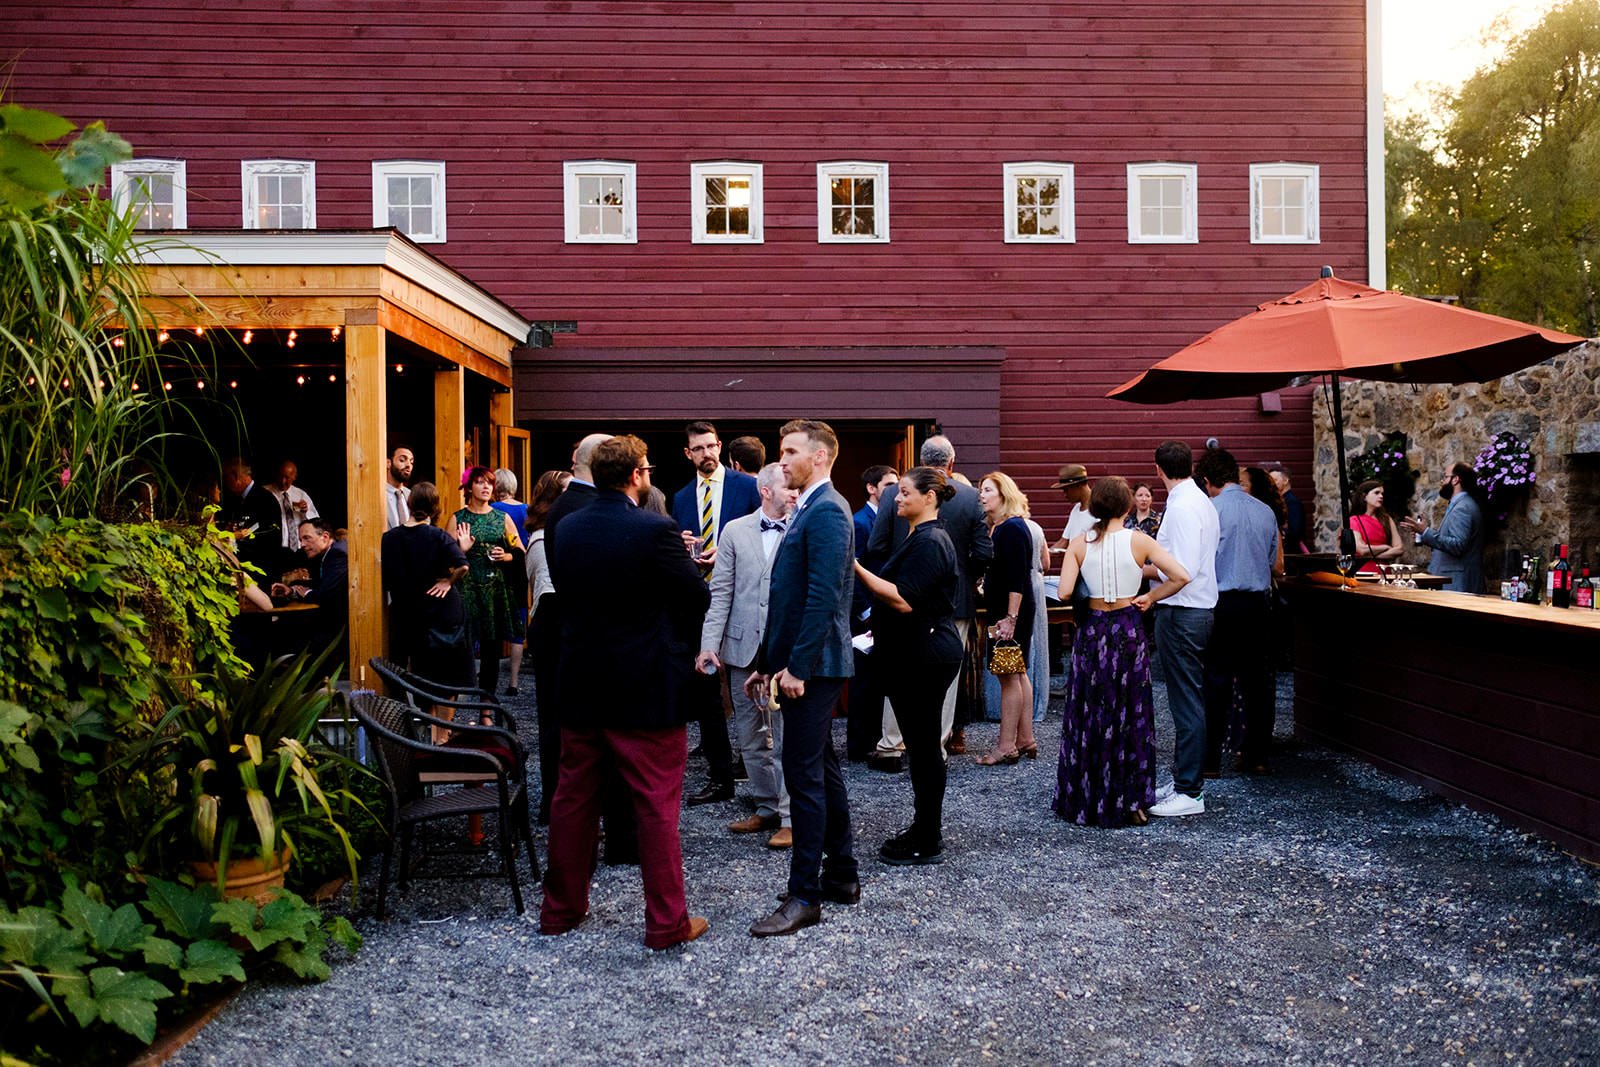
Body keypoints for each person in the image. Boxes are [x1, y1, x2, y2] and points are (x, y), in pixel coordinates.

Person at [539, 435, 710, 951]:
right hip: (644, 685)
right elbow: (696, 597)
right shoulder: (654, 529)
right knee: (656, 804)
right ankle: (666, 923)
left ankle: (561, 910)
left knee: (573, 800)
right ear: (637, 474)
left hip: (582, 679)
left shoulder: (564, 526)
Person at [746, 419, 858, 938]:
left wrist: (797, 668)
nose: (782, 459)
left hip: (814, 668)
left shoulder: (829, 510)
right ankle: (841, 876)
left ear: (820, 457)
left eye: (790, 451)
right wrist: (769, 664)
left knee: (803, 777)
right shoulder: (809, 507)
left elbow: (822, 600)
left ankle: (804, 896)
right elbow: (787, 601)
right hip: (798, 664)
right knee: (822, 769)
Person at [1053, 477, 1190, 827]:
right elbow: (1180, 575)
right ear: (1128, 507)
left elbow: (1066, 592)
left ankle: (1087, 796)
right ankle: (1131, 799)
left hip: (1094, 629)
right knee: (1131, 711)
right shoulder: (1140, 540)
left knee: (1090, 708)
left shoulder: (1082, 543)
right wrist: (1150, 597)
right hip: (1128, 626)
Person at [852, 466, 963, 864]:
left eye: (903, 493)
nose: (896, 499)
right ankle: (923, 826)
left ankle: (928, 836)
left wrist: (855, 567)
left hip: (926, 655)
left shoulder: (932, 541)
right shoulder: (919, 536)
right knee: (921, 745)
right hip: (913, 653)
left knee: (924, 746)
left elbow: (903, 598)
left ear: (929, 497)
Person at [865, 435, 991, 768]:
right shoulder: (969, 496)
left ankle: (891, 745)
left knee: (898, 668)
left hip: (898, 594)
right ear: (952, 463)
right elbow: (983, 551)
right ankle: (936, 747)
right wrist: (964, 575)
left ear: (921, 460)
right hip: (952, 599)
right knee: (943, 682)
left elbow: (876, 545)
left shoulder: (892, 493)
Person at [697, 463, 796, 851]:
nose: (794, 493)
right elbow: (720, 592)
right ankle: (766, 805)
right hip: (742, 648)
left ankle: (791, 816)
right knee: (750, 733)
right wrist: (710, 644)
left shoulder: (803, 526)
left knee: (786, 734)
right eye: (787, 487)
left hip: (785, 650)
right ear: (766, 491)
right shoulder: (735, 530)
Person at [670, 420, 761, 807]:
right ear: (688, 454)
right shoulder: (681, 496)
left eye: (711, 446)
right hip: (700, 600)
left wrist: (726, 551)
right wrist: (681, 542)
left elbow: (766, 534)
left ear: (720, 446)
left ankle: (760, 773)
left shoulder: (746, 486)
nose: (706, 454)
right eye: (698, 448)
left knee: (749, 688)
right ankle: (720, 776)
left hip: (743, 597)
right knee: (707, 688)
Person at [1195, 448, 1282, 776]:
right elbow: (1273, 562)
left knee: (1216, 680)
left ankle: (1210, 761)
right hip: (1258, 604)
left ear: (1207, 481)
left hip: (1222, 602)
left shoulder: (1209, 511)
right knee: (1256, 683)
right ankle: (1256, 755)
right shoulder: (1264, 511)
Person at [1146, 441, 1218, 818]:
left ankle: (1190, 790)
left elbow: (1183, 571)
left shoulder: (1185, 506)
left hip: (1184, 611)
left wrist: (1151, 596)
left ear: (1158, 469)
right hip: (1193, 610)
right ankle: (1182, 779)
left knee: (1186, 702)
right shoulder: (1197, 500)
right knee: (1185, 699)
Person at [381, 481, 472, 686]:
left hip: (405, 611)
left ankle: (421, 716)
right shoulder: (438, 536)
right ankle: (440, 720)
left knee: (411, 672)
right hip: (438, 610)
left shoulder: (389, 538)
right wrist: (448, 582)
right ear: (435, 507)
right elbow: (462, 566)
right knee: (446, 676)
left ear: (409, 503)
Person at [976, 471, 1038, 764]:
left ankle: (1006, 745)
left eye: (988, 490)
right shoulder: (1002, 527)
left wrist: (1010, 618)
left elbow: (1017, 579)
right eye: (981, 490)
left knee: (1008, 676)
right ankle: (1026, 739)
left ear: (1004, 494)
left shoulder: (1011, 528)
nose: (982, 495)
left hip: (1009, 613)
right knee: (1019, 671)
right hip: (1008, 611)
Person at [453, 466, 524, 694]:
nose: (486, 487)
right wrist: (461, 549)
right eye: (480, 482)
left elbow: (519, 550)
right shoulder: (458, 518)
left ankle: (487, 707)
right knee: (461, 643)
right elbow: (443, 557)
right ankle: (454, 703)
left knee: (491, 648)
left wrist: (505, 555)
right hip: (466, 586)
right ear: (469, 487)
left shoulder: (501, 518)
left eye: (489, 483)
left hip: (494, 587)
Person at [270, 517, 349, 665]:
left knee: (281, 634)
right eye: (301, 540)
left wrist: (305, 593)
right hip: (329, 624)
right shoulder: (328, 553)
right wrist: (292, 590)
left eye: (307, 538)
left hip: (337, 630)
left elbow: (325, 595)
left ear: (325, 537)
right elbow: (319, 584)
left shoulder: (337, 555)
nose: (303, 545)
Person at [1400, 463, 1487, 593]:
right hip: (1454, 582)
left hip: (1457, 584)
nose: (1441, 481)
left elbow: (1457, 545)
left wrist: (1425, 532)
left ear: (1455, 479)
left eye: (1445, 477)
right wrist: (1425, 536)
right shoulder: (1461, 504)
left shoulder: (1462, 507)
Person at [491, 468, 530, 696]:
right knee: (518, 624)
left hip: (497, 570)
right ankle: (514, 681)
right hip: (519, 570)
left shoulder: (493, 510)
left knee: (494, 624)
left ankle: (490, 677)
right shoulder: (526, 509)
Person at [220, 457, 283, 574]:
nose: (224, 482)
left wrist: (234, 537)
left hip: (260, 569)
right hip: (242, 567)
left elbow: (264, 539)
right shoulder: (237, 499)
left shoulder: (264, 499)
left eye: (225, 477)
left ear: (236, 477)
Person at [1348, 480, 1404, 573]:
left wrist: (1370, 555)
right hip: (1364, 572)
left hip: (1384, 571)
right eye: (1376, 493)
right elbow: (1361, 549)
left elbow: (1399, 549)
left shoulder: (1386, 519)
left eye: (1382, 493)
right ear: (1364, 496)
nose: (1381, 496)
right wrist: (1385, 547)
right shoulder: (1353, 520)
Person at [269, 459, 319, 553]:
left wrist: (305, 512)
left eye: (287, 477)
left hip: (300, 548)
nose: (283, 481)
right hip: (277, 549)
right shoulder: (266, 493)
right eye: (280, 476)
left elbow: (316, 522)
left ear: (294, 477)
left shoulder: (300, 495)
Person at [1268, 468, 1309, 553]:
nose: (1271, 483)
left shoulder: (1292, 502)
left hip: (1290, 554)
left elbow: (1295, 533)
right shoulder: (1278, 501)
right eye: (1270, 480)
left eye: (1275, 480)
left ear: (1286, 481)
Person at [384, 445, 414, 531]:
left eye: (411, 462)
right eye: (402, 460)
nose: (408, 465)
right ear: (388, 463)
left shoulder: (412, 496)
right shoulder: (376, 494)